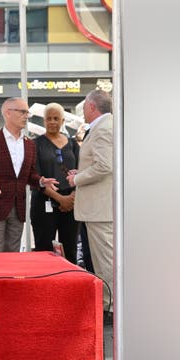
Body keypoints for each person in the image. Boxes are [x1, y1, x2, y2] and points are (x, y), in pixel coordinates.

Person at [0, 97, 57, 253]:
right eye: (22, 112)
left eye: (27, 112)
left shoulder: (30, 145)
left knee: (13, 254)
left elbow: (30, 174)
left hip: (19, 207)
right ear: (7, 113)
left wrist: (40, 181)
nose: (26, 116)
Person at [69, 89, 114, 318]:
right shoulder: (102, 127)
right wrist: (82, 171)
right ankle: (109, 303)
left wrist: (77, 178)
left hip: (100, 207)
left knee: (104, 259)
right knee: (101, 257)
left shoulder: (103, 128)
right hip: (98, 206)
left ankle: (111, 306)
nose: (83, 112)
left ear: (92, 106)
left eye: (85, 107)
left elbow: (105, 166)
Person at [30, 102, 81, 255]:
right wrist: (60, 199)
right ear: (44, 121)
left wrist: (72, 197)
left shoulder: (73, 144)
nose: (52, 122)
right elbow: (35, 177)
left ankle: (70, 279)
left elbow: (82, 173)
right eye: (49, 118)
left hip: (71, 205)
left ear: (62, 121)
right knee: (44, 249)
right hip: (44, 204)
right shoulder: (35, 145)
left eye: (56, 118)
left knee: (70, 248)